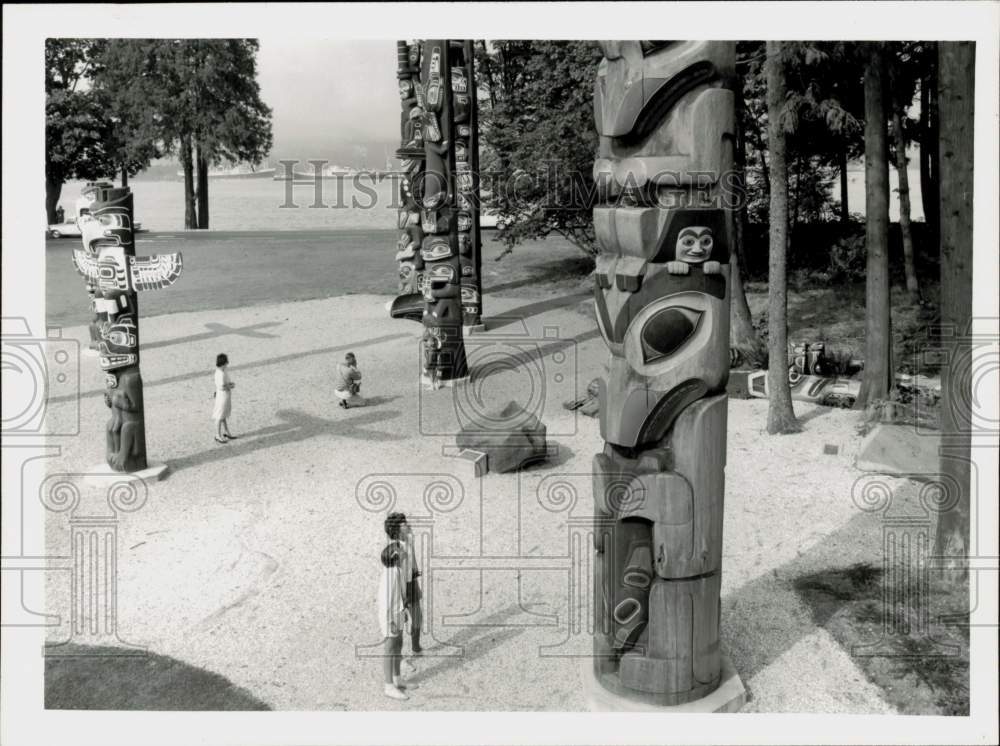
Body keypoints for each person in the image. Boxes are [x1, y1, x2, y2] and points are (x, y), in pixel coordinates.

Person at [384, 512, 423, 657]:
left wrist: (416, 571)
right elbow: (395, 574)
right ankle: (399, 656)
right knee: (401, 623)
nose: (408, 525)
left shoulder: (408, 538)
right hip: (401, 587)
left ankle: (416, 647)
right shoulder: (396, 550)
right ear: (396, 530)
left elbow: (413, 557)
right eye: (404, 524)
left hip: (411, 581)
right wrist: (402, 597)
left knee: (418, 617)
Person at [378, 541, 409, 700]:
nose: (405, 551)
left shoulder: (397, 570)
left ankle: (398, 679)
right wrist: (389, 622)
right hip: (390, 617)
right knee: (390, 649)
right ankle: (389, 686)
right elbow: (385, 602)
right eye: (402, 550)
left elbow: (400, 595)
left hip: (398, 613)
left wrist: (404, 610)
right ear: (396, 557)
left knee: (398, 646)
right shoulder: (390, 574)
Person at [212, 353, 237, 443]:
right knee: (220, 415)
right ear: (223, 363)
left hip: (223, 395)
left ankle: (226, 432)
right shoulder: (220, 374)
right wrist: (230, 386)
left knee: (223, 414)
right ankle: (217, 435)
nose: (227, 364)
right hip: (222, 396)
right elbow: (221, 387)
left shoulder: (222, 371)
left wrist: (229, 384)